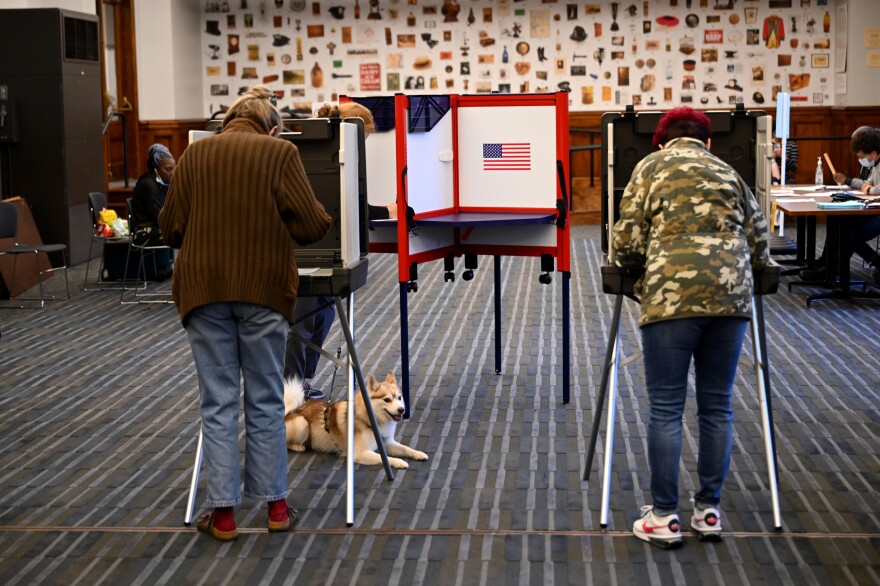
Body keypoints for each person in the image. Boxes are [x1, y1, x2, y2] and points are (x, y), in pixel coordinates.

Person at [159, 85, 332, 542]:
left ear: (226, 120)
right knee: (265, 400)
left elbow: (170, 228)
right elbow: (313, 226)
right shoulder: (279, 153)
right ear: (271, 126)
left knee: (217, 404)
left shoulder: (193, 156)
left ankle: (223, 518)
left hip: (203, 292)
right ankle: (276, 508)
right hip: (263, 291)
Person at [612, 107, 769, 549]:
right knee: (717, 405)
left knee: (666, 406)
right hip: (730, 298)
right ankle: (708, 511)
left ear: (659, 142)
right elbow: (759, 238)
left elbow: (626, 242)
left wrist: (633, 270)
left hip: (670, 299)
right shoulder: (728, 171)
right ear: (709, 142)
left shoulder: (649, 168)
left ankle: (664, 516)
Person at [283, 101, 397, 400]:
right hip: (305, 251)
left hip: (329, 250)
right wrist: (388, 210)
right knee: (303, 324)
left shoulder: (334, 155)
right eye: (364, 139)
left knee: (322, 316)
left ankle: (302, 382)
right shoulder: (316, 157)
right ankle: (290, 389)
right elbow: (346, 208)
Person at [802, 127, 880, 283]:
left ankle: (833, 269)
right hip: (873, 207)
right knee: (839, 222)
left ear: (873, 153)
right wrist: (862, 185)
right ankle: (826, 264)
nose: (859, 157)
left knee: (850, 232)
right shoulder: (876, 164)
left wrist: (870, 189)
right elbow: (867, 183)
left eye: (861, 155)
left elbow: (874, 188)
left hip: (877, 213)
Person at [131, 143, 176, 278]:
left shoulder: (162, 184)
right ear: (155, 170)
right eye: (168, 169)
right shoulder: (148, 186)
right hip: (145, 233)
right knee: (186, 234)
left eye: (174, 169)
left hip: (156, 229)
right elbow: (160, 217)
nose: (172, 173)